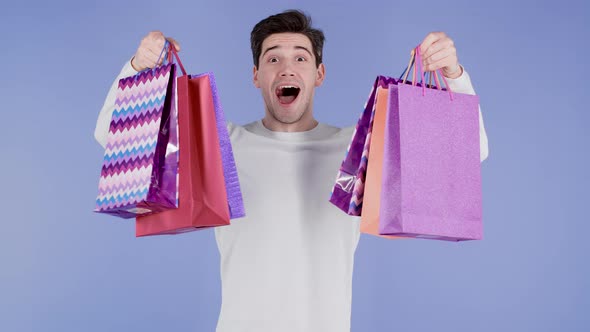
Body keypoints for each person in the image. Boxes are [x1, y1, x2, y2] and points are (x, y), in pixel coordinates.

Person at [94, 9, 489, 332]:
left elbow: (469, 153)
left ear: (318, 74)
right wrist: (137, 69)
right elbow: (110, 137)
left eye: (300, 57)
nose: (287, 68)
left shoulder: (360, 149)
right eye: (272, 59)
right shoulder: (219, 146)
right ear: (256, 76)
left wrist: (454, 77)